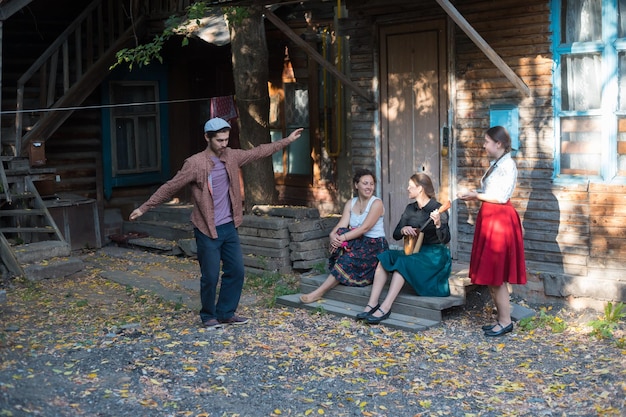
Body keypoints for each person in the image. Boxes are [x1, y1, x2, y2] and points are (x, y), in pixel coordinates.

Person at [129, 118, 303, 329]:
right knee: (210, 276)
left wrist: (287, 140)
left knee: (237, 271)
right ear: (207, 138)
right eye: (219, 140)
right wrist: (144, 207)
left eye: (226, 140)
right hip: (206, 228)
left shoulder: (231, 156)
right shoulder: (194, 164)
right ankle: (208, 315)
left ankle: (226, 313)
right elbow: (171, 186)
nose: (223, 144)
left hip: (229, 226)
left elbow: (259, 152)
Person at [457, 126, 526, 337]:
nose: (484, 145)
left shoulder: (508, 166)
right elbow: (491, 192)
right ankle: (500, 319)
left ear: (499, 143)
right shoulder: (497, 164)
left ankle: (505, 321)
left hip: (499, 220)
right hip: (491, 218)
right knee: (491, 275)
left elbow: (500, 197)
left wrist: (475, 195)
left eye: (487, 141)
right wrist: (476, 194)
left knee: (497, 275)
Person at [357, 173, 451, 324]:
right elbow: (395, 234)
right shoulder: (410, 209)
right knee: (385, 257)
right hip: (414, 250)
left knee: (403, 262)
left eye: (410, 186)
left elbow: (446, 239)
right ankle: (372, 303)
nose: (407, 188)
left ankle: (386, 307)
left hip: (434, 254)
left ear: (420, 189)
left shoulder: (438, 209)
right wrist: (403, 229)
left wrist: (439, 224)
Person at [299, 168, 389, 304]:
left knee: (346, 258)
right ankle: (339, 275)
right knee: (340, 235)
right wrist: (332, 235)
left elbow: (365, 228)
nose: (369, 187)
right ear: (356, 185)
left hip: (374, 245)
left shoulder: (377, 203)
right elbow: (342, 224)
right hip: (358, 242)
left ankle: (318, 293)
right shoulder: (351, 203)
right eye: (365, 183)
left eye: (371, 184)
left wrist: (343, 238)